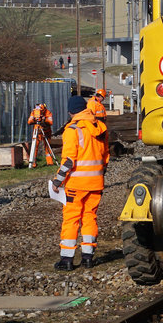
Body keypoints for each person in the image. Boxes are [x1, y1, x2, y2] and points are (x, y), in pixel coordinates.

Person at [52, 95, 109, 271]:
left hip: (76, 185)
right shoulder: (100, 128)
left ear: (71, 112)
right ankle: (88, 258)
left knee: (71, 219)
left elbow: (69, 160)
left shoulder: (72, 129)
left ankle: (67, 259)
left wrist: (57, 181)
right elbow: (105, 156)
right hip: (96, 183)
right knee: (90, 217)